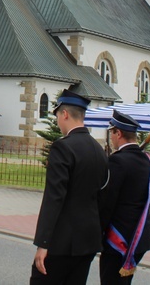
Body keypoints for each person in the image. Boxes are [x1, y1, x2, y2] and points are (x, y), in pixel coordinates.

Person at [31, 89, 108, 285]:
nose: (57, 121)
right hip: (88, 239)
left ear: (64, 114)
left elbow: (54, 198)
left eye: (57, 115)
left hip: (61, 241)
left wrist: (43, 243)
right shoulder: (98, 149)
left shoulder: (63, 147)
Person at [99, 110, 150, 285]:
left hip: (119, 240)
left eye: (112, 133)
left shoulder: (118, 161)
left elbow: (108, 202)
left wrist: (98, 231)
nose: (111, 138)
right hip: (140, 238)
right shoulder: (147, 160)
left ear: (119, 133)